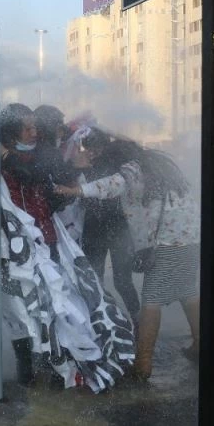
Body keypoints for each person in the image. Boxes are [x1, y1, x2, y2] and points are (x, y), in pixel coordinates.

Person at [55, 139, 200, 380]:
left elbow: (110, 185)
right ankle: (199, 344)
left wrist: (77, 190)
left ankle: (143, 363)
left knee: (151, 300)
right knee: (188, 291)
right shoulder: (162, 166)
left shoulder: (131, 169)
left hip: (166, 243)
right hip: (191, 237)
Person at [70, 128, 141, 322]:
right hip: (95, 227)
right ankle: (108, 320)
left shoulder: (117, 158)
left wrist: (105, 128)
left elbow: (134, 145)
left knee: (122, 281)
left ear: (104, 145)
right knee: (95, 278)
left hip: (118, 225)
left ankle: (138, 320)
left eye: (95, 147)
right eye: (88, 147)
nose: (91, 151)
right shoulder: (82, 163)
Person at [0, 103, 58, 261]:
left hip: (44, 234)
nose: (34, 133)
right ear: (12, 133)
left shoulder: (43, 152)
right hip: (14, 240)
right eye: (28, 129)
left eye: (35, 127)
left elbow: (31, 175)